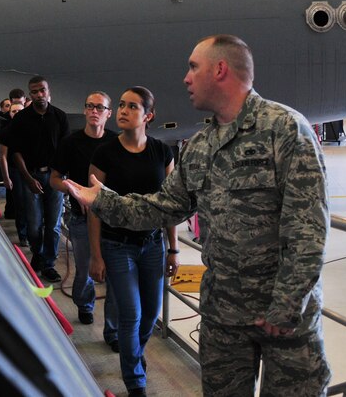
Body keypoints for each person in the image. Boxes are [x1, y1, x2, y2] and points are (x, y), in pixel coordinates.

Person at [63, 35, 331, 396]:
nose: (186, 78)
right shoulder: (202, 145)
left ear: (219, 69)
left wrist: (285, 306)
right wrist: (103, 200)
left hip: (284, 319)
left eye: (193, 67)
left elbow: (308, 230)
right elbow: (163, 207)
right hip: (224, 314)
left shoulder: (284, 129)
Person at [88, 86, 178, 396]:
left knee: (151, 315)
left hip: (153, 245)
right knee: (131, 314)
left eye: (132, 107)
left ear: (148, 115)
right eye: (122, 105)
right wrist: (96, 255)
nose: (123, 111)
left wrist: (173, 249)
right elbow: (95, 207)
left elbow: (171, 206)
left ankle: (134, 357)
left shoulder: (162, 153)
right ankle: (135, 380)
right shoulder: (105, 153)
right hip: (117, 245)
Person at [49, 92, 118, 346]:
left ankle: (113, 330)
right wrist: (73, 190)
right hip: (81, 218)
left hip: (111, 221)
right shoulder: (70, 143)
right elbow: (54, 179)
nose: (94, 111)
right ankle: (85, 303)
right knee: (85, 269)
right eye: (89, 106)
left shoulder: (115, 142)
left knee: (114, 274)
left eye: (100, 107)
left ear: (108, 113)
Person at [6, 76, 69, 282]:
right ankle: (38, 253)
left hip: (54, 176)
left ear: (48, 91)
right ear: (29, 95)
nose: (39, 95)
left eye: (42, 90)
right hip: (31, 175)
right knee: (33, 224)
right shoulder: (22, 119)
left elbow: (66, 149)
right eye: (34, 92)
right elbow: (15, 152)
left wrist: (61, 176)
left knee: (53, 224)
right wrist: (27, 178)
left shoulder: (59, 117)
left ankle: (48, 263)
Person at [0, 89, 29, 245]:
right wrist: (5, 177)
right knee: (20, 203)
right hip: (15, 170)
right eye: (14, 111)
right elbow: (2, 155)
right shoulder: (6, 132)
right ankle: (23, 235)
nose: (17, 114)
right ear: (10, 113)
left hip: (31, 170)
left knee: (32, 203)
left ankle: (32, 233)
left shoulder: (32, 129)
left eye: (20, 111)